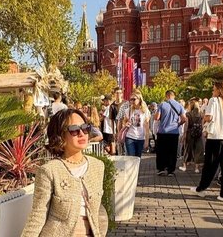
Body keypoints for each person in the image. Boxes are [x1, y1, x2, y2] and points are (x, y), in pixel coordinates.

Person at [21, 109, 106, 237]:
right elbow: (38, 214)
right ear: (61, 135)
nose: (82, 133)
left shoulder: (98, 166)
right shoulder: (49, 171)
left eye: (85, 127)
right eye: (74, 130)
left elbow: (96, 211)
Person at [190, 82, 223, 203]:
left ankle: (202, 188)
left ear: (219, 90)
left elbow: (209, 117)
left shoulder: (214, 101)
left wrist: (204, 120)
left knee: (210, 164)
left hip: (215, 137)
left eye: (214, 90)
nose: (213, 92)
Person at [155, 90, 187, 176]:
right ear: (173, 96)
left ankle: (161, 169)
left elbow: (157, 117)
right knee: (172, 152)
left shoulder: (162, 104)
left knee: (161, 151)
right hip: (174, 132)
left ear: (167, 96)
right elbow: (184, 119)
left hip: (162, 132)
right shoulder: (179, 105)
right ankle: (171, 170)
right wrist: (178, 124)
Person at [179, 99, 204, 173]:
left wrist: (184, 134)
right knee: (198, 150)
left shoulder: (188, 114)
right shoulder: (201, 114)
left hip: (190, 133)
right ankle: (196, 168)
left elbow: (186, 125)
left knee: (187, 149)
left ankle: (184, 166)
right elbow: (202, 124)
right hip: (198, 133)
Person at [122, 92, 150, 157]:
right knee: (131, 157)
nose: (132, 101)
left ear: (139, 99)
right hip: (130, 137)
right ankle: (131, 168)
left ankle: (136, 168)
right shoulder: (128, 110)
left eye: (134, 99)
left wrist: (146, 141)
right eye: (131, 99)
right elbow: (124, 122)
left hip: (140, 138)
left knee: (137, 158)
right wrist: (125, 124)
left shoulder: (145, 111)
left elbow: (147, 127)